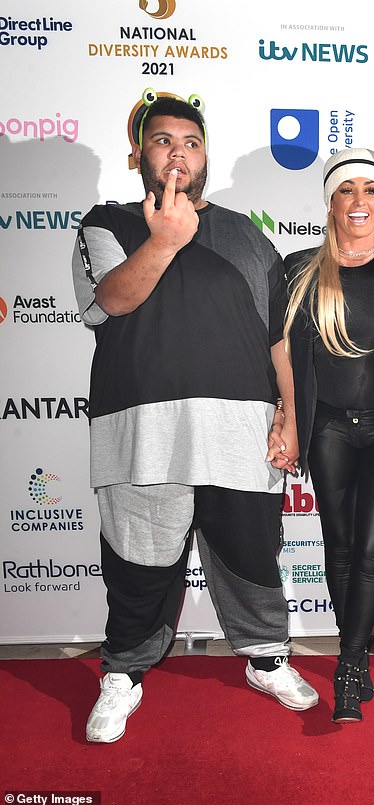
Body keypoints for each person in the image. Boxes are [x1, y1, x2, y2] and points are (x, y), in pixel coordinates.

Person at [72, 95, 318, 744]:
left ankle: (266, 658)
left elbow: (279, 339)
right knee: (137, 565)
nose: (178, 151)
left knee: (251, 560)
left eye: (190, 141)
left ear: (204, 155)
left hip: (241, 433)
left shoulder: (246, 233)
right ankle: (124, 673)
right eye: (162, 140)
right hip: (140, 434)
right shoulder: (107, 221)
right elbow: (111, 301)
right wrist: (164, 240)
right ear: (139, 155)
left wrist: (290, 414)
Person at [283, 149, 374, 723]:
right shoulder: (301, 270)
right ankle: (358, 656)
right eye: (347, 191)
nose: (359, 201)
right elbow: (286, 360)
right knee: (338, 546)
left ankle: (347, 665)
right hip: (330, 429)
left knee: (370, 550)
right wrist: (286, 421)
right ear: (331, 201)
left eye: (371, 190)